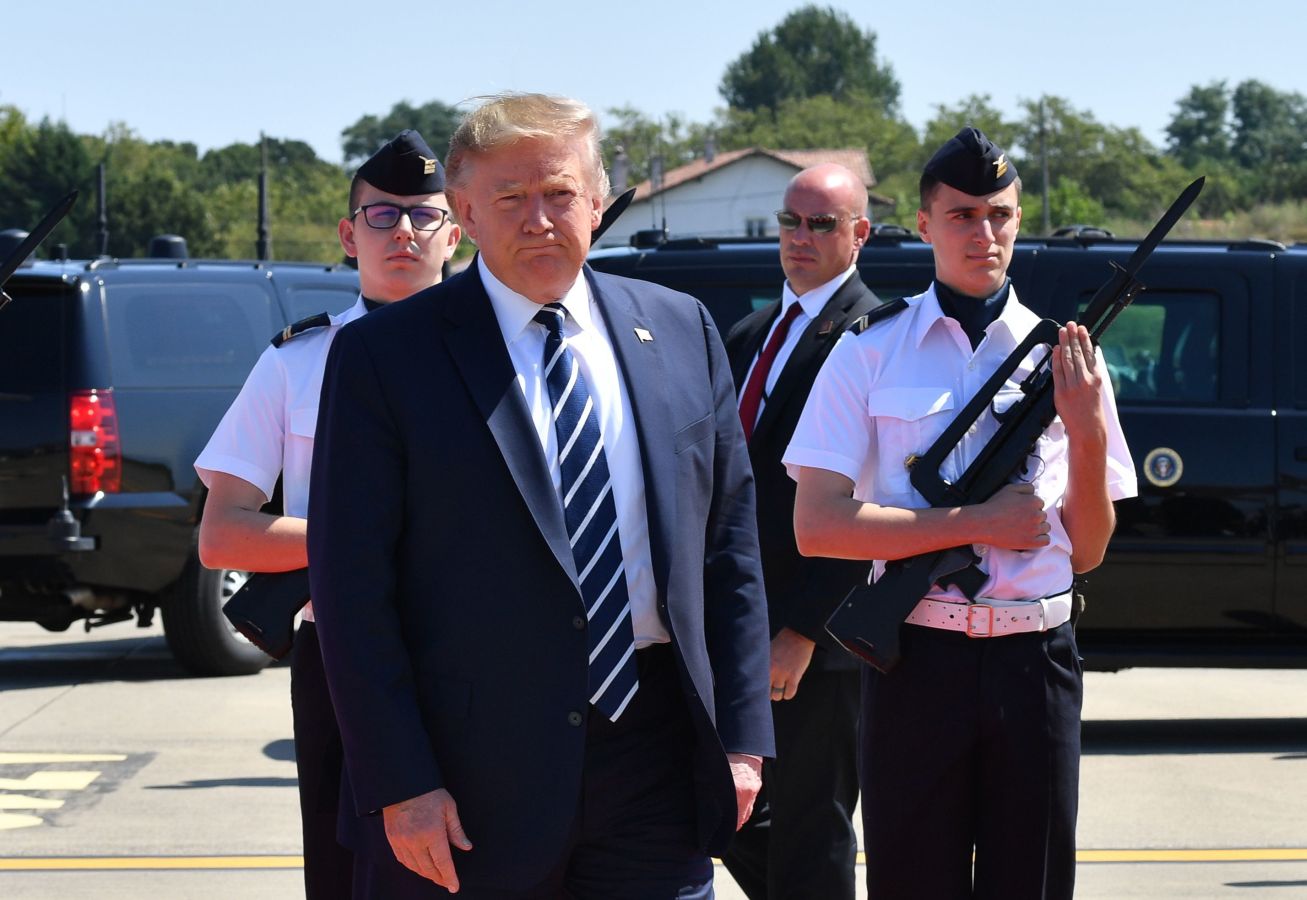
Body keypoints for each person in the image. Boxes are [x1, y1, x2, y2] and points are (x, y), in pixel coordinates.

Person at [306, 92, 774, 899]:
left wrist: (742, 738)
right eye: (509, 199)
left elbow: (729, 546)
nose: (539, 219)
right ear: (463, 214)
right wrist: (400, 782)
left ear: (596, 201)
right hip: (461, 782)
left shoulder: (680, 329)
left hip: (654, 758)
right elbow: (353, 594)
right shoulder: (385, 357)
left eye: (558, 194)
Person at [784, 127, 1137, 899]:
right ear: (923, 225)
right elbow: (817, 527)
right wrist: (973, 524)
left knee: (1032, 883)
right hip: (918, 658)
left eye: (1000, 215)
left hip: (1033, 657)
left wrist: (1081, 435)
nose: (985, 233)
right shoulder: (869, 350)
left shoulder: (1067, 357)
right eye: (963, 215)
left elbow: (1085, 552)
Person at [194, 130, 461, 900]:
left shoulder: (506, 355)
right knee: (348, 871)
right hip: (343, 653)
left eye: (424, 215)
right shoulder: (295, 361)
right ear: (348, 235)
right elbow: (223, 534)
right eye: (382, 216)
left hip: (477, 650)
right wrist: (361, 548)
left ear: (458, 229)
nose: (404, 232)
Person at [720, 163, 879, 900]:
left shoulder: (874, 338)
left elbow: (871, 505)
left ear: (859, 235)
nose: (801, 238)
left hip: (811, 639)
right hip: (735, 622)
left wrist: (805, 630)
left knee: (812, 826)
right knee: (718, 804)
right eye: (790, 221)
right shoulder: (749, 332)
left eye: (822, 224)